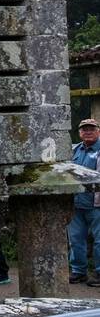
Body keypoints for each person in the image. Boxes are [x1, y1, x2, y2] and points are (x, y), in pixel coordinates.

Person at [68, 119, 100, 285]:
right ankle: (78, 271)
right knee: (75, 239)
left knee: (99, 240)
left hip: (97, 203)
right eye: (84, 129)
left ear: (98, 131)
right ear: (79, 132)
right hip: (76, 202)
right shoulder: (73, 149)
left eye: (91, 129)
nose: (87, 132)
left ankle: (99, 273)